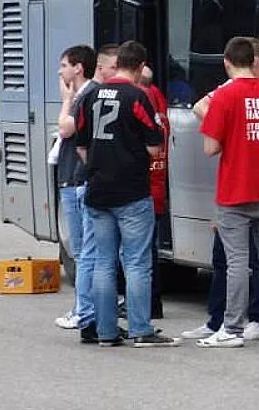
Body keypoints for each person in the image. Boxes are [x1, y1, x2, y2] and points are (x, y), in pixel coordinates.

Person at [74, 41, 178, 347]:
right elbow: (153, 145)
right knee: (135, 262)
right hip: (132, 192)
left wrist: (98, 166)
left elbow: (81, 145)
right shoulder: (138, 96)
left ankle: (106, 331)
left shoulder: (90, 95)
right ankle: (140, 329)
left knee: (104, 262)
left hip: (98, 191)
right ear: (141, 65)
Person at [196, 36, 259, 347]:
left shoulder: (224, 97)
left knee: (238, 261)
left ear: (227, 62)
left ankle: (232, 329)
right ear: (255, 61)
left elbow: (210, 147)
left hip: (234, 192)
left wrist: (234, 140)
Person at [53, 44, 97, 331]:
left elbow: (65, 128)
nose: (61, 71)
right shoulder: (88, 94)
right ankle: (84, 307)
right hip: (71, 176)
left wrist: (66, 99)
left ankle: (84, 309)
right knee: (85, 250)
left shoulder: (85, 96)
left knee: (82, 251)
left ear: (79, 67)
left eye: (64, 66)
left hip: (75, 178)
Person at [139, 64, 169, 320]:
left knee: (142, 252)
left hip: (144, 187)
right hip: (158, 185)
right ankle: (152, 303)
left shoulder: (142, 103)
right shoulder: (159, 103)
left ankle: (148, 304)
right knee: (150, 249)